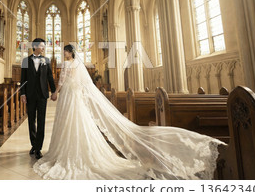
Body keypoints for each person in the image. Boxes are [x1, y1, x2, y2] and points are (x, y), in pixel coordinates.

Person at [33, 44, 225, 179]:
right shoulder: (80, 64)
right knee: (80, 122)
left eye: (65, 52)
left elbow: (62, 80)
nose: (64, 54)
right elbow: (85, 84)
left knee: (67, 121)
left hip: (68, 96)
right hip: (77, 97)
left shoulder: (66, 64)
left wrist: (56, 92)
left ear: (67, 53)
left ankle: (64, 152)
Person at [20, 38, 58, 159]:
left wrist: (54, 92)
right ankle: (34, 144)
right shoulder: (26, 61)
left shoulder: (46, 60)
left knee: (41, 121)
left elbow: (50, 78)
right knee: (31, 120)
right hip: (30, 95)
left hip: (42, 95)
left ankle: (38, 148)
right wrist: (22, 94)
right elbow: (23, 79)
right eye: (42, 46)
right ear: (35, 47)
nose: (43, 48)